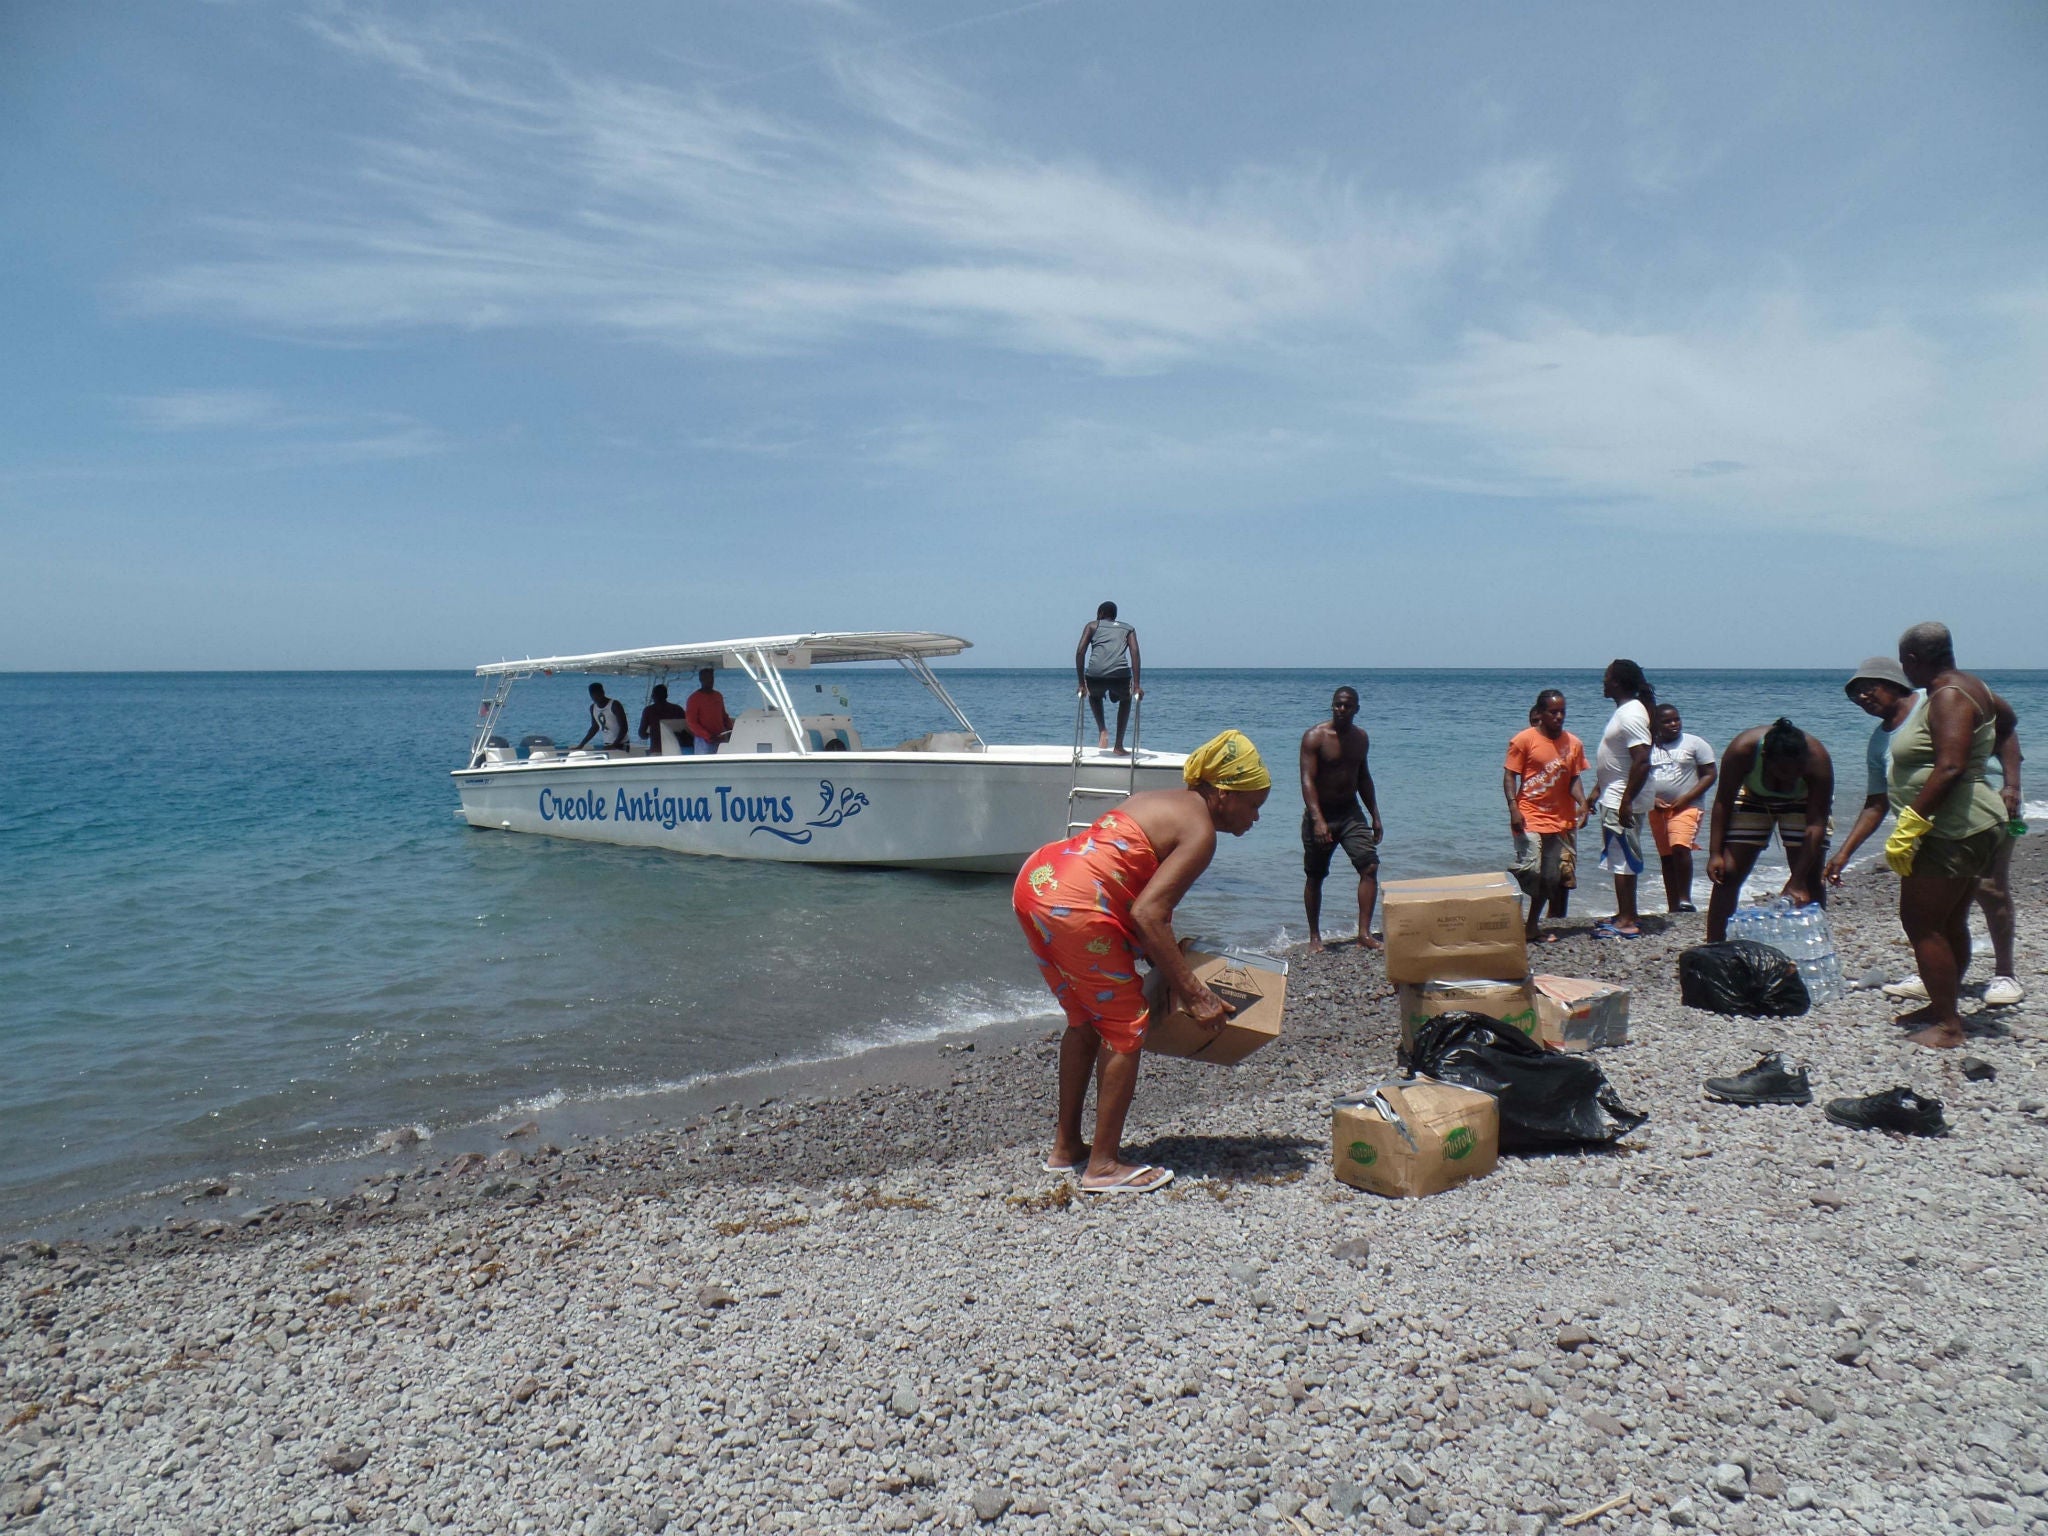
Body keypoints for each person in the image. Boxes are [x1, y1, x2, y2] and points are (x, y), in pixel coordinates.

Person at [1014, 729, 1270, 1195]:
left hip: (1038, 883)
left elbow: (1130, 896)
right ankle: (1103, 1166)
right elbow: (1147, 914)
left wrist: (1170, 959)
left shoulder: (1156, 800)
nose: (1256, 818)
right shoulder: (1201, 833)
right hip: (1077, 908)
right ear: (1224, 794)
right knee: (1127, 1026)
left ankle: (1067, 1147)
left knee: (1086, 1021)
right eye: (1254, 805)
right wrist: (1196, 994)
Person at [1832, 656, 2028, 1012]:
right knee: (1947, 915)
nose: (1861, 698)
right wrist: (1844, 853)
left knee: (1988, 890)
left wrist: (2012, 785)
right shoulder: (1879, 741)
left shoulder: (1937, 700)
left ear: (1894, 683)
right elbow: (1876, 802)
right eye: (1854, 695)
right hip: (1929, 831)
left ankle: (2004, 973)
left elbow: (2005, 728)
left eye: (1867, 688)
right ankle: (1941, 985)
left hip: (1979, 815)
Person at [1884, 622, 2021, 1048]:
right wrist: (2001, 775)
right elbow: (2008, 722)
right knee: (1948, 919)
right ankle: (1942, 1005)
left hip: (1952, 828)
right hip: (1971, 821)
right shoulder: (1973, 686)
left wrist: (1911, 823)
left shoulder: (1947, 695)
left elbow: (1949, 767)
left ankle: (1948, 1026)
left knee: (1921, 922)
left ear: (1911, 660)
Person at [1704, 718, 1835, 943]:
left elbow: (1816, 823)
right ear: (1765, 758)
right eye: (1784, 771)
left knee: (1810, 878)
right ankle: (1716, 947)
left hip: (1804, 802)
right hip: (1755, 797)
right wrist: (1715, 853)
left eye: (1798, 770)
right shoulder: (1742, 751)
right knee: (1728, 873)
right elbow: (1723, 802)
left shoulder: (1818, 760)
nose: (1792, 776)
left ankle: (1816, 944)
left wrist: (1796, 880)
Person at [1299, 687, 1386, 952]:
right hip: (1321, 812)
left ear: (1356, 709)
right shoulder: (1315, 737)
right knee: (1315, 875)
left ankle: (1364, 934)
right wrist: (1318, 820)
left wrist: (1375, 815)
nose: (1341, 710)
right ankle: (1315, 937)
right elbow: (1307, 780)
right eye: (1337, 705)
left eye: (1347, 706)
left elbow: (1363, 777)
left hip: (1350, 812)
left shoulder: (1360, 738)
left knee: (1369, 867)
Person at [1503, 689, 1587, 943]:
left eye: (1562, 712)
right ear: (1539, 713)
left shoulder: (1573, 743)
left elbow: (1574, 778)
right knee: (1533, 869)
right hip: (1528, 814)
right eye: (1553, 712)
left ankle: (1531, 926)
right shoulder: (1523, 740)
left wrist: (1582, 803)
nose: (1559, 716)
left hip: (1558, 818)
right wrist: (1513, 807)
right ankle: (1510, 894)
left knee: (1551, 877)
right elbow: (1509, 775)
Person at [1591, 660, 1658, 937]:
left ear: (1617, 682)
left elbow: (1642, 760)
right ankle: (1626, 912)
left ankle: (1627, 921)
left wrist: (1626, 800)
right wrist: (1596, 792)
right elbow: (1617, 762)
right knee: (1620, 855)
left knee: (1622, 858)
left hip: (1622, 797)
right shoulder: (1626, 711)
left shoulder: (1631, 714)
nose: (1603, 682)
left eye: (1606, 678)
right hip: (1615, 794)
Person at [1648, 703, 1718, 915]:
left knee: (1680, 846)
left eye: (1676, 719)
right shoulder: (1649, 747)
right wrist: (1651, 799)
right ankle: (1673, 905)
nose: (1673, 724)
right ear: (1655, 725)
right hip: (1657, 809)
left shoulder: (1695, 743)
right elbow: (1640, 777)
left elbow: (1710, 774)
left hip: (1688, 807)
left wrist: (1687, 797)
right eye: (1667, 721)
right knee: (1667, 856)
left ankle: (1685, 899)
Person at [1075, 602, 1143, 754]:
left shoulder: (1092, 626)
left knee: (1094, 695)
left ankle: (1102, 731)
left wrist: (1081, 684)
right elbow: (1135, 653)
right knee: (1126, 699)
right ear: (1114, 616)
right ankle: (1118, 746)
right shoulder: (1128, 628)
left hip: (1095, 674)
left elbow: (1080, 652)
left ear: (1100, 614)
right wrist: (1137, 685)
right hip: (1120, 676)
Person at [684, 668, 734, 755]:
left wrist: (731, 729)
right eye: (706, 678)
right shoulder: (694, 699)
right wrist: (708, 736)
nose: (710, 681)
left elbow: (723, 716)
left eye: (711, 678)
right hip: (704, 741)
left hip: (720, 737)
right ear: (701, 679)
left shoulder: (718, 696)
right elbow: (692, 722)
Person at [637, 684, 689, 755]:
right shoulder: (677, 709)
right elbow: (686, 729)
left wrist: (652, 732)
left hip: (656, 750)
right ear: (666, 696)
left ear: (653, 696)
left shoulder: (649, 710)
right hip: (675, 750)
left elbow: (642, 734)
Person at [576, 682, 629, 752]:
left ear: (603, 692)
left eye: (598, 694)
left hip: (621, 744)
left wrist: (614, 745)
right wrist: (581, 745)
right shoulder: (593, 708)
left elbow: (624, 727)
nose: (596, 697)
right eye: (593, 695)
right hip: (607, 744)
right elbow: (595, 727)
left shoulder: (614, 705)